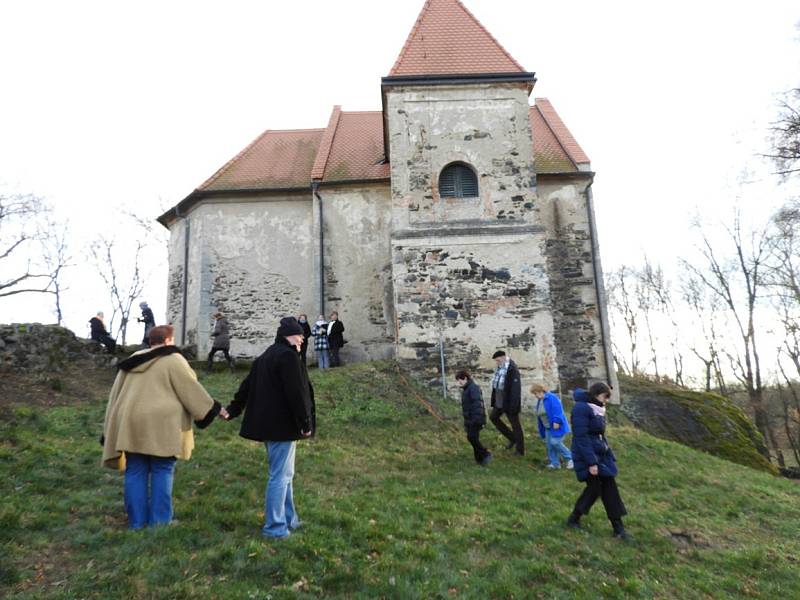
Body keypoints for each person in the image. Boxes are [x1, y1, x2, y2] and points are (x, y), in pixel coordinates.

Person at [101, 325, 225, 529]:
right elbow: (190, 389)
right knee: (161, 469)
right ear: (168, 341)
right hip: (162, 425)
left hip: (130, 423)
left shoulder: (133, 360)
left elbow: (116, 395)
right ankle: (160, 523)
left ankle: (137, 522)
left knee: (135, 470)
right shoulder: (173, 359)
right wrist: (215, 409)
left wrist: (109, 428)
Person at [224, 317, 316, 539]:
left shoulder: (266, 356)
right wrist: (305, 423)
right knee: (280, 476)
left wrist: (233, 409)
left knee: (285, 474)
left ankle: (289, 519)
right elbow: (297, 393)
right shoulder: (288, 357)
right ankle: (275, 527)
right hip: (282, 426)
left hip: (270, 426)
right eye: (299, 334)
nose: (303, 338)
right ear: (288, 335)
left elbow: (246, 386)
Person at [566, 382, 631, 540]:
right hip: (586, 455)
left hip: (601, 454)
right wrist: (591, 462)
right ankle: (575, 518)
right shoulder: (582, 408)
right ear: (596, 394)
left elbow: (599, 434)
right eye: (605, 396)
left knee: (607, 487)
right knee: (596, 488)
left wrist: (607, 451)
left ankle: (618, 528)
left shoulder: (598, 409)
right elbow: (581, 437)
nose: (606, 400)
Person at [489, 350, 524, 455]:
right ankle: (512, 438)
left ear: (504, 357)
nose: (497, 362)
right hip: (500, 401)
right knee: (493, 417)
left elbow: (515, 389)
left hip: (509, 402)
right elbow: (497, 385)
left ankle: (520, 449)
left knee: (515, 425)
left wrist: (513, 405)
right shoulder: (500, 368)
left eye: (498, 360)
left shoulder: (512, 369)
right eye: (496, 361)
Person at [532, 383, 573, 469]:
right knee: (549, 446)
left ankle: (571, 458)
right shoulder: (540, 401)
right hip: (547, 428)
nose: (535, 395)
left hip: (557, 426)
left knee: (555, 442)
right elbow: (540, 416)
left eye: (536, 393)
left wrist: (556, 421)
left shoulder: (551, 398)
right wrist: (541, 431)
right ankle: (555, 463)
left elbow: (558, 410)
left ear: (541, 391)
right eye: (534, 394)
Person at [456, 370, 491, 466]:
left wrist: (476, 419)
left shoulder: (473, 388)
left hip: (476, 419)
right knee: (473, 438)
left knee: (472, 437)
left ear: (465, 378)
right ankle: (479, 460)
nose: (459, 382)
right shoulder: (467, 389)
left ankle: (485, 453)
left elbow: (477, 404)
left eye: (460, 380)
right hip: (470, 419)